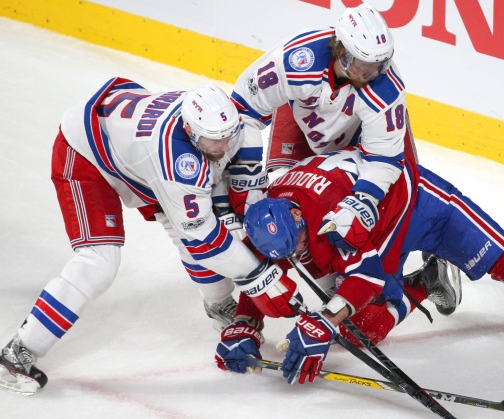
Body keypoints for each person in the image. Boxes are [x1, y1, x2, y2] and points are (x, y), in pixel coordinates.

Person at [214, 149, 504, 385]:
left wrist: (321, 320)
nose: (295, 255)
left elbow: (366, 275)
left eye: (300, 243)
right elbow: (255, 273)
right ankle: (426, 281)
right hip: (377, 231)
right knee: (359, 331)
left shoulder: (332, 216)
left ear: (299, 218)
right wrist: (245, 324)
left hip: (419, 204)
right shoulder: (265, 219)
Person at [0, 78, 304, 395]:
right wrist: (260, 277)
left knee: (199, 226)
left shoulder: (228, 124)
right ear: (190, 131)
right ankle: (19, 353)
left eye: (228, 136)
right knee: (99, 263)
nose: (225, 146)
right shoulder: (177, 164)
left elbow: (237, 155)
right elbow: (205, 238)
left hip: (133, 145)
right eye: (216, 141)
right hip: (88, 153)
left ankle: (219, 305)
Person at [231, 3, 420, 256]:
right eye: (365, 64)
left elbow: (384, 157)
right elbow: (244, 110)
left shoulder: (386, 89)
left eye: (381, 63)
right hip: (303, 120)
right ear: (341, 51)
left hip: (360, 136)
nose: (374, 73)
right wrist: (247, 185)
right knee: (285, 195)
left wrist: (361, 202)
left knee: (405, 193)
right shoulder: (297, 60)